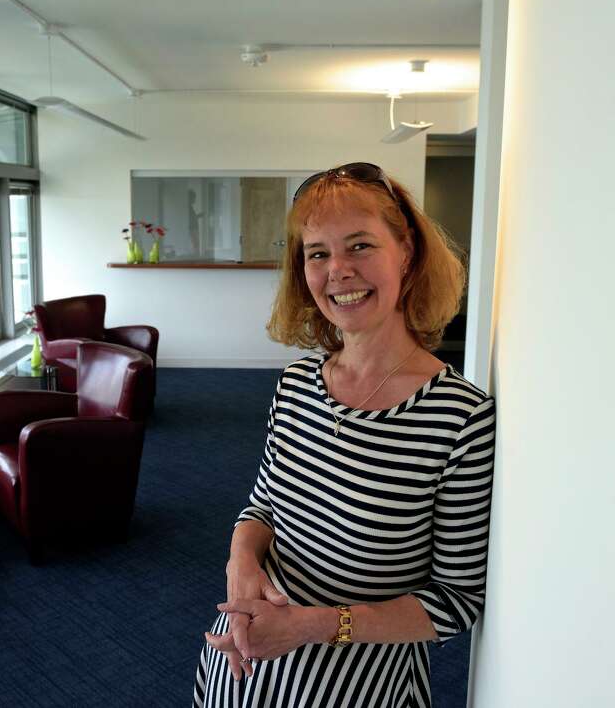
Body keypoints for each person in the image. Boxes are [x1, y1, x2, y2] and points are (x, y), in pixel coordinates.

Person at [192, 163, 496, 707]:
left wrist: (312, 626)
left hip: (357, 687)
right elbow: (263, 508)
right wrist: (241, 563)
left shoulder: (460, 418)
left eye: (359, 246)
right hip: (242, 665)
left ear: (406, 252)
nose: (339, 271)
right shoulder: (295, 385)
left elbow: (455, 601)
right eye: (318, 253)